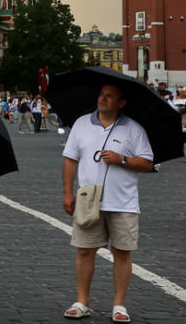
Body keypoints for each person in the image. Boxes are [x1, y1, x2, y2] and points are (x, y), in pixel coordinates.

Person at [61, 84, 154, 322]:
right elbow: (70, 160)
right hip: (88, 199)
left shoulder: (134, 129)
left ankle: (119, 305)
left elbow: (147, 164)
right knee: (85, 251)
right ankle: (82, 301)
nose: (102, 98)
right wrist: (67, 193)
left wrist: (121, 159)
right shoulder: (82, 123)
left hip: (123, 201)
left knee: (122, 253)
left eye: (109, 96)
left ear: (121, 103)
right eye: (101, 94)